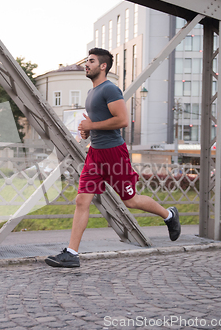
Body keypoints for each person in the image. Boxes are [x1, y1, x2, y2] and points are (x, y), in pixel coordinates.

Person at [45, 48, 181, 268]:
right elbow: (99, 120)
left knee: (130, 200)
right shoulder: (91, 93)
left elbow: (122, 120)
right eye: (87, 61)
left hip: (114, 154)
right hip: (95, 154)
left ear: (103, 66)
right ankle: (71, 253)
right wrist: (88, 131)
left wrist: (92, 125)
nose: (86, 65)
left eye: (91, 61)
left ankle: (168, 215)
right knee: (81, 200)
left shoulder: (110, 89)